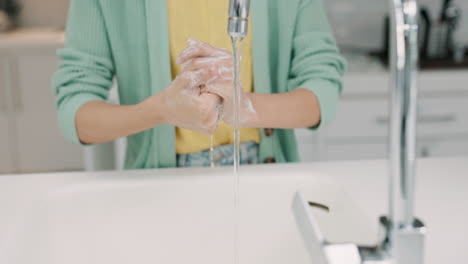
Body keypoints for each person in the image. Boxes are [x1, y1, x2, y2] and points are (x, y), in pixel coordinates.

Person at [53, 0, 346, 169]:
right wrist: (161, 111)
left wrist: (248, 108)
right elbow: (76, 113)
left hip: (261, 167)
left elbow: (323, 89)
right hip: (159, 182)